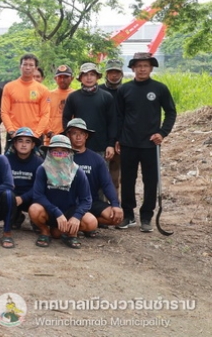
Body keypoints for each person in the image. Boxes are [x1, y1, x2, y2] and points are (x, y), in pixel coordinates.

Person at [115, 52, 176, 232]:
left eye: (146, 66)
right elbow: (118, 116)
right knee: (127, 180)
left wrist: (162, 133)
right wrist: (117, 138)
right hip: (128, 142)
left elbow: (171, 112)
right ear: (133, 68)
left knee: (150, 181)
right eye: (139, 66)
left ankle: (146, 216)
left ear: (151, 68)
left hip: (151, 144)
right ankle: (128, 215)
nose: (142, 69)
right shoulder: (124, 90)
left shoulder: (160, 88)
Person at [30, 135, 97, 249]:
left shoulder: (78, 172)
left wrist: (76, 216)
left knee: (91, 222)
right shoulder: (42, 169)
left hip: (69, 211)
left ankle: (69, 233)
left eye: (63, 151)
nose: (59, 155)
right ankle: (45, 231)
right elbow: (38, 195)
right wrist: (56, 212)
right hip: (49, 210)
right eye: (55, 151)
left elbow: (86, 200)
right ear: (49, 153)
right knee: (34, 209)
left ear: (69, 153)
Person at [65, 119, 123, 230]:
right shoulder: (63, 157)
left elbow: (107, 184)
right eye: (74, 133)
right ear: (68, 135)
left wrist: (115, 204)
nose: (78, 137)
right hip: (70, 203)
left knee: (116, 217)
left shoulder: (96, 159)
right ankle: (86, 224)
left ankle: (87, 223)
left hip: (91, 202)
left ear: (86, 136)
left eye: (81, 133)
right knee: (89, 223)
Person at [62, 62, 117, 160]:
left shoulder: (106, 97)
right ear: (80, 78)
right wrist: (70, 137)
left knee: (100, 170)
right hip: (77, 147)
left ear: (97, 77)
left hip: (101, 147)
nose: (89, 78)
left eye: (92, 74)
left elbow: (112, 122)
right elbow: (66, 118)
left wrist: (111, 144)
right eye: (85, 75)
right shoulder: (73, 97)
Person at [1, 53, 51, 146]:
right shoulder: (9, 87)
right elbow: (4, 112)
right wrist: (11, 131)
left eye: (31, 65)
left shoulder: (43, 90)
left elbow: (45, 114)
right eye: (25, 64)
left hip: (35, 134)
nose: (27, 68)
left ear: (36, 68)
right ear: (20, 66)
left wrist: (36, 134)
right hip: (14, 134)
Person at [6, 127, 43, 230]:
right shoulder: (6, 161)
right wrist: (14, 198)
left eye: (28, 141)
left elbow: (39, 187)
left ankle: (36, 219)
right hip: (13, 197)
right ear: (14, 143)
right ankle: (17, 217)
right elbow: (3, 183)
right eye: (20, 141)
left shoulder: (39, 162)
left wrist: (23, 198)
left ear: (33, 145)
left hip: (32, 197)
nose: (23, 144)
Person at [99, 59, 124, 192]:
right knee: (99, 173)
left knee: (116, 175)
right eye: (111, 72)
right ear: (106, 74)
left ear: (121, 74)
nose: (114, 75)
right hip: (101, 137)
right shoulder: (98, 91)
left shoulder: (126, 91)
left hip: (121, 138)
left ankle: (115, 201)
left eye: (117, 72)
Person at [45, 65, 75, 144]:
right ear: (55, 78)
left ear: (72, 78)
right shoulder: (48, 95)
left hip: (71, 140)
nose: (62, 80)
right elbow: (43, 116)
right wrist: (50, 133)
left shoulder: (76, 95)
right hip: (51, 140)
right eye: (60, 77)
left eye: (66, 77)